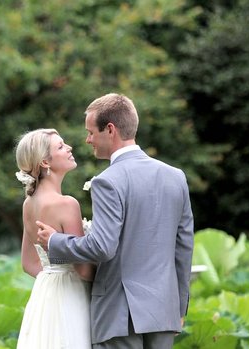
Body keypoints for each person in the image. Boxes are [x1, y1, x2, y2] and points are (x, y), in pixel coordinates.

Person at [37, 93, 194, 348]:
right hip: (165, 312)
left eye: (90, 132)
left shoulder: (108, 181)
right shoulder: (176, 177)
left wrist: (56, 241)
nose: (88, 140)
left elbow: (102, 246)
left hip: (121, 314)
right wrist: (178, 307)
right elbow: (184, 248)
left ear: (110, 130)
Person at [13, 128, 94, 349]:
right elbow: (84, 269)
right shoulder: (66, 204)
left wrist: (54, 276)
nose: (69, 148)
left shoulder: (29, 204)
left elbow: (28, 263)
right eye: (60, 146)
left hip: (45, 297)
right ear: (45, 163)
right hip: (71, 296)